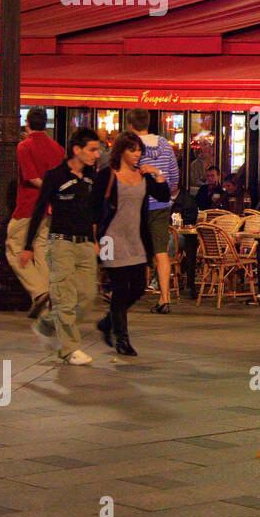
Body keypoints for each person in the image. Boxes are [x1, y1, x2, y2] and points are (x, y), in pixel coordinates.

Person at [21, 127, 102, 365]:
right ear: (77, 150)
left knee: (87, 296)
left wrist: (95, 240)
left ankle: (46, 324)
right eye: (92, 150)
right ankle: (69, 349)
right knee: (65, 298)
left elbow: (94, 211)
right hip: (60, 243)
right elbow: (38, 210)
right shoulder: (55, 176)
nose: (96, 155)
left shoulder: (91, 176)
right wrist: (28, 246)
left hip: (85, 244)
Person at [90, 132, 170, 356]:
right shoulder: (107, 175)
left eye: (139, 151)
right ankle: (122, 338)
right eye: (132, 150)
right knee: (119, 287)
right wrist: (95, 239)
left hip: (136, 239)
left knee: (137, 288)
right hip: (111, 239)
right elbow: (94, 208)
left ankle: (107, 323)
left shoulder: (143, 175)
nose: (137, 155)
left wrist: (159, 173)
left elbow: (164, 196)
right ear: (121, 151)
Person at [7, 108, 65, 322]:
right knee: (41, 252)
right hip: (50, 208)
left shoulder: (24, 146)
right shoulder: (58, 148)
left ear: (27, 123)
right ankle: (45, 303)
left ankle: (39, 292)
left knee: (14, 249)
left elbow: (31, 177)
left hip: (28, 206)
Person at [125, 108, 180, 315]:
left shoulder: (130, 147)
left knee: (131, 248)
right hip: (160, 205)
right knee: (162, 252)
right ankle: (165, 297)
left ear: (130, 125)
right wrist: (167, 191)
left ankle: (124, 290)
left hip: (136, 204)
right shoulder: (165, 145)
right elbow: (174, 176)